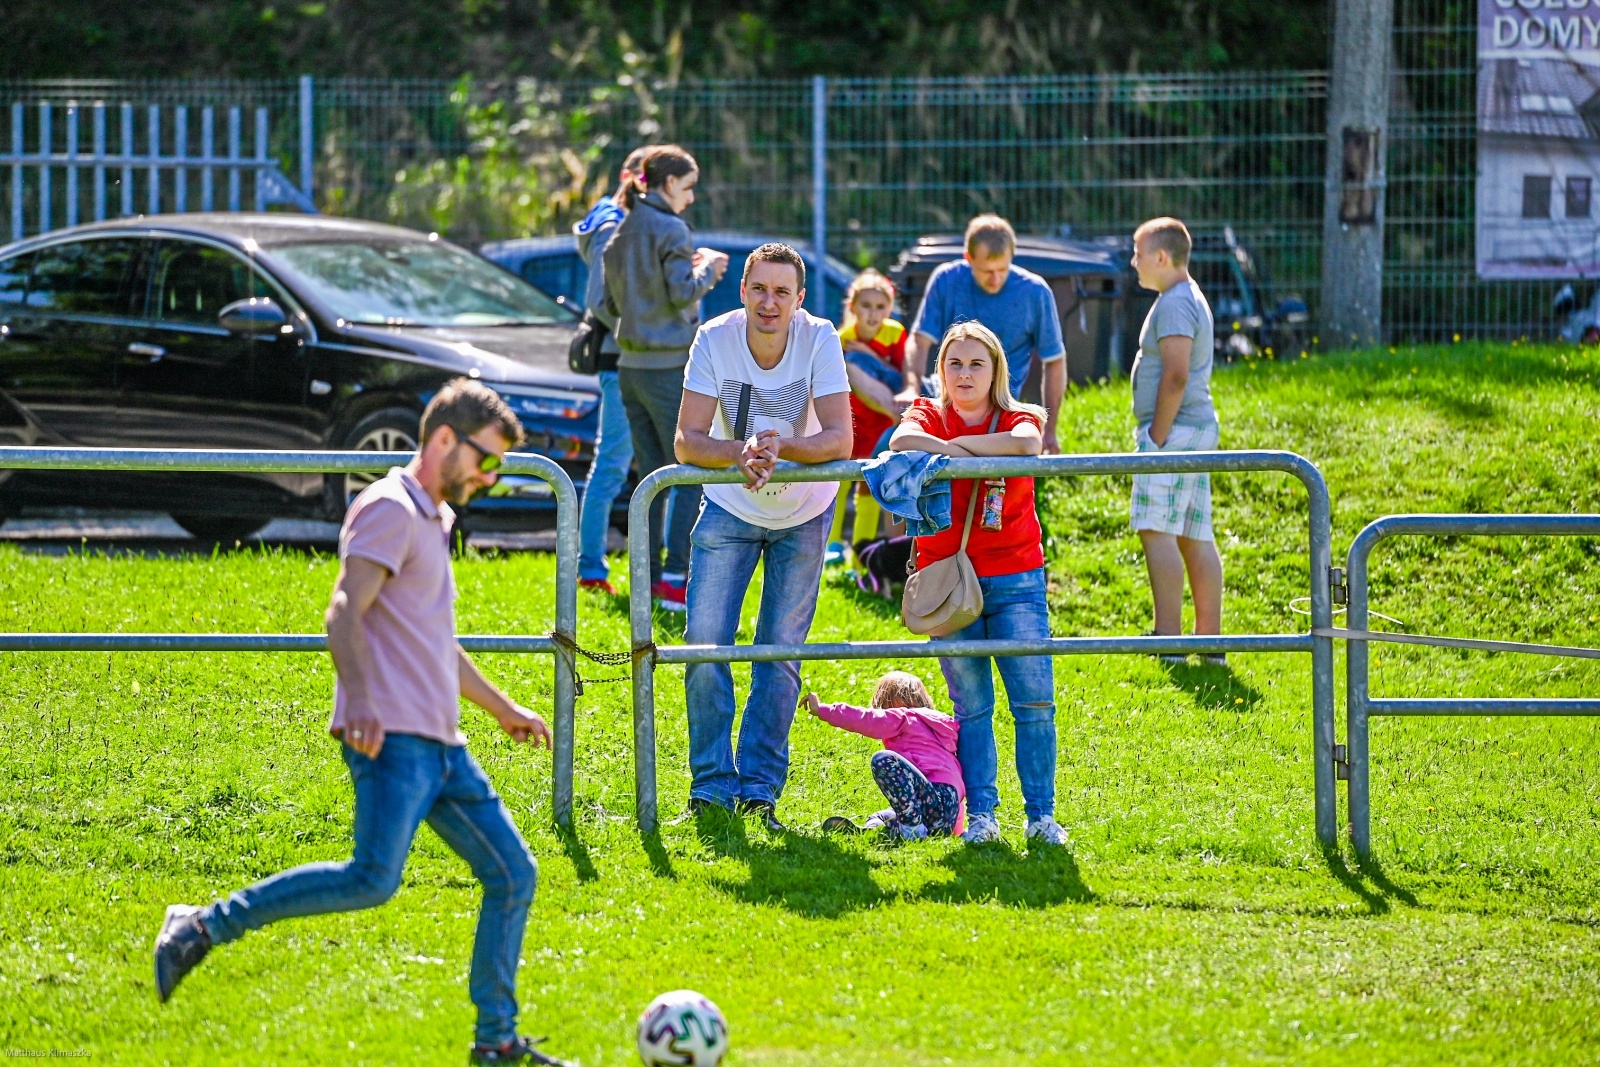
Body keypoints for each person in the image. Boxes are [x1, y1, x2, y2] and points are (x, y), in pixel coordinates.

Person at [151, 380, 573, 1067]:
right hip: (393, 738)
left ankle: (495, 1041)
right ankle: (202, 924)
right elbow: (343, 611)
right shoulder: (388, 509)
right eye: (486, 461)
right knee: (372, 878)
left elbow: (436, 641)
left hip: (444, 747)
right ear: (444, 440)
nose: (490, 478)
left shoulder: (433, 519)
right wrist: (364, 699)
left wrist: (504, 709)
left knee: (513, 875)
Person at [674, 242, 853, 831]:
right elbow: (687, 441)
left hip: (803, 511)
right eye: (759, 289)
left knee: (778, 654)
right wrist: (740, 452)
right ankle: (710, 786)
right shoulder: (714, 338)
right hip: (729, 505)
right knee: (705, 646)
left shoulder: (820, 337)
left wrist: (777, 447)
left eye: (782, 292)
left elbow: (838, 440)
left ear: (799, 300)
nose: (769, 302)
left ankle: (759, 788)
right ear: (742, 291)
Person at [889, 321, 1068, 847]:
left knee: (1034, 701)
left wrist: (948, 451)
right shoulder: (924, 412)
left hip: (1017, 577)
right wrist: (983, 454)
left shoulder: (1019, 414)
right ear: (940, 370)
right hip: (947, 581)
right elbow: (902, 439)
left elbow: (1028, 443)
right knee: (971, 708)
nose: (964, 374)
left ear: (996, 371)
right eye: (954, 364)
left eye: (976, 364)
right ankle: (984, 816)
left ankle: (1040, 816)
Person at [603, 144, 731, 611]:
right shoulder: (671, 228)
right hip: (667, 366)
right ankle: (676, 577)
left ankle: (649, 578)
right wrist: (710, 271)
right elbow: (682, 294)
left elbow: (612, 305)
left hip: (628, 367)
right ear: (670, 183)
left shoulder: (622, 227)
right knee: (691, 470)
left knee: (650, 479)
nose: (692, 198)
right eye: (689, 187)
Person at [1128, 216, 1224, 666]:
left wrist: (1157, 435)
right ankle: (1211, 644)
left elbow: (1177, 372)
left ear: (1162, 258)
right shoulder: (1183, 297)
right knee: (1191, 533)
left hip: (1176, 430)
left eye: (1139, 253)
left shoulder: (1175, 303)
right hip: (1190, 428)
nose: (1134, 262)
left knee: (1157, 529)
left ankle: (1168, 640)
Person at [902, 214, 1068, 453]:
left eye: (1002, 269)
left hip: (998, 405)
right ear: (968, 258)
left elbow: (1054, 360)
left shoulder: (1035, 292)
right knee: (861, 367)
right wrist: (910, 387)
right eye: (986, 271)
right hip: (944, 396)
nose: (996, 279)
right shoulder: (946, 279)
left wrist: (1050, 432)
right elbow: (919, 340)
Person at [573, 144, 651, 595]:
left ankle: (653, 569)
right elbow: (600, 299)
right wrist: (648, 333)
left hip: (642, 359)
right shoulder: (611, 224)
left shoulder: (634, 222)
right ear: (628, 176)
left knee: (648, 464)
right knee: (613, 464)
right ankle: (590, 568)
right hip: (621, 359)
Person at [804, 671, 966, 840]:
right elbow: (954, 786)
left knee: (884, 760)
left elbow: (865, 719)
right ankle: (874, 830)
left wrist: (822, 709)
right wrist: (954, 831)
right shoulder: (943, 732)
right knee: (882, 815)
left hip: (932, 800)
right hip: (945, 816)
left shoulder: (905, 717)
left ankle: (912, 830)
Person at [826, 269, 906, 562]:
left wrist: (870, 358)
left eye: (880, 307)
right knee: (839, 480)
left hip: (882, 421)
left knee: (868, 483)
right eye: (866, 306)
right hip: (853, 418)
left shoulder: (895, 334)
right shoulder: (843, 337)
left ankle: (862, 549)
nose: (873, 314)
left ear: (889, 308)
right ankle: (832, 546)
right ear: (853, 307)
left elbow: (901, 377)